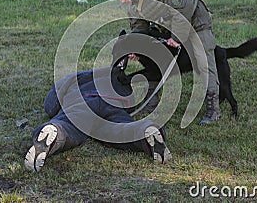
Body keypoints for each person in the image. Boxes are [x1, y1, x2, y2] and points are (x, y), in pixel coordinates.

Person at [104, 0, 220, 125]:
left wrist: (176, 38)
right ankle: (151, 103)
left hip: (196, 24)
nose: (122, 0)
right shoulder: (134, 3)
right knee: (152, 58)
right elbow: (140, 29)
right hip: (170, 27)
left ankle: (213, 110)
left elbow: (183, 12)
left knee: (204, 63)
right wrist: (138, 49)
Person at [24, 66, 171, 172]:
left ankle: (55, 132)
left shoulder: (73, 79)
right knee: (120, 128)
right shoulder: (116, 78)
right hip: (114, 103)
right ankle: (145, 131)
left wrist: (55, 114)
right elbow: (131, 100)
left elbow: (51, 103)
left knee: (69, 126)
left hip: (83, 100)